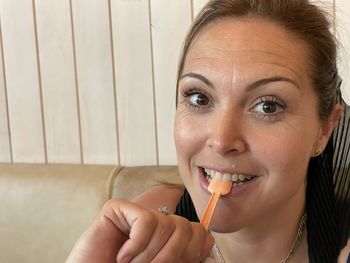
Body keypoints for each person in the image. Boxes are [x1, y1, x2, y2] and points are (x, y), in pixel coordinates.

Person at [66, 0, 350, 262]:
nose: (222, 140)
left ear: (325, 128)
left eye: (268, 107)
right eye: (199, 98)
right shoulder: (140, 231)